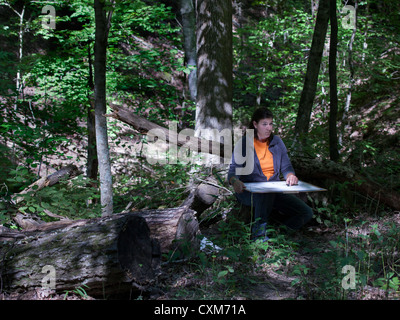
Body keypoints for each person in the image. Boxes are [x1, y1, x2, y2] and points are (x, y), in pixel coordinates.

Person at [227, 107, 313, 241]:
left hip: (273, 190)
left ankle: (277, 237)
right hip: (248, 192)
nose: (268, 128)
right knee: (264, 195)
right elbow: (233, 170)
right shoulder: (244, 143)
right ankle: (259, 238)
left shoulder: (277, 142)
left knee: (306, 212)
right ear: (255, 125)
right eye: (264, 124)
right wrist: (234, 181)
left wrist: (290, 175)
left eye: (271, 124)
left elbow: (286, 166)